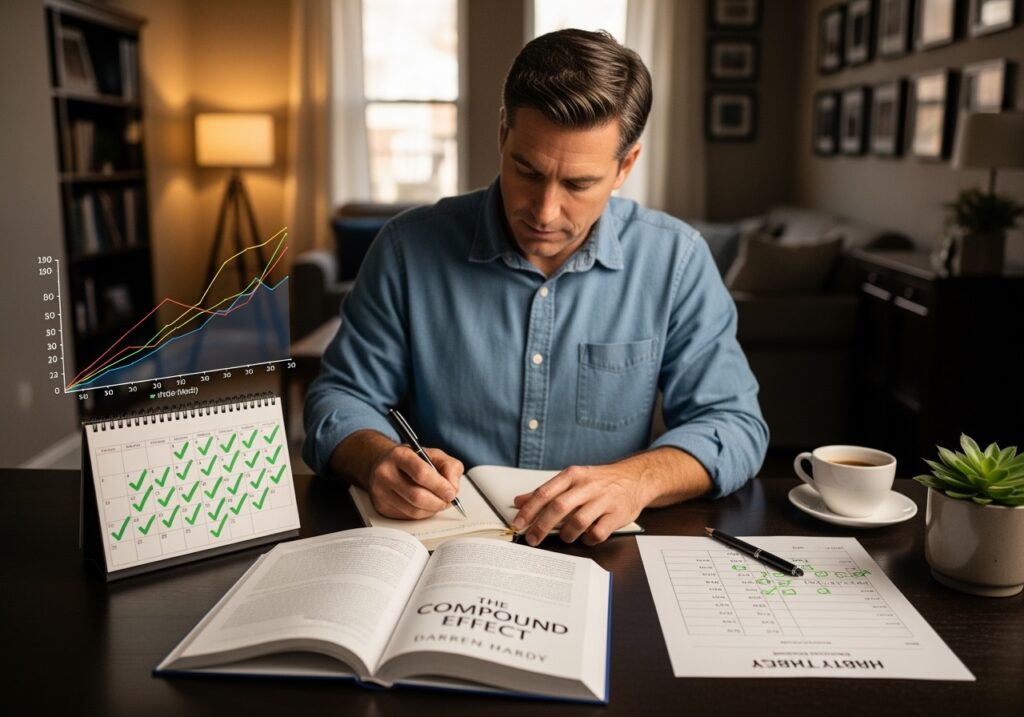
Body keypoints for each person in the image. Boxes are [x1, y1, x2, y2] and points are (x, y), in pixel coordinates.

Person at [304, 29, 768, 546]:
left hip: (603, 549)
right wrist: (378, 461)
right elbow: (339, 398)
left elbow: (734, 424)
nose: (545, 212)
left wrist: (636, 479)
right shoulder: (406, 248)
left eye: (578, 184)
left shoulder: (676, 261)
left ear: (625, 166)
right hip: (442, 547)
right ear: (503, 134)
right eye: (527, 171)